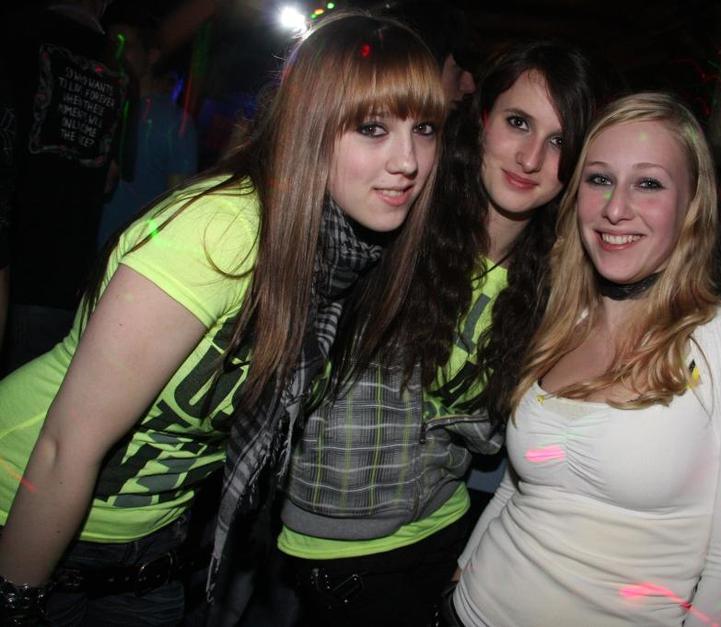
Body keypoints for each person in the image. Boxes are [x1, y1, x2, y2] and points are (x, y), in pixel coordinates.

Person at [0, 12, 447, 626]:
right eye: (373, 128)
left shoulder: (347, 256)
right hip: (23, 508)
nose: (408, 160)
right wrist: (16, 599)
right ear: (310, 125)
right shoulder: (225, 230)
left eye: (424, 129)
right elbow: (63, 447)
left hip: (151, 548)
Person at [268, 41, 600, 627]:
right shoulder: (400, 218)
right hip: (340, 540)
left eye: (559, 141)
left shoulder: (558, 283)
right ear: (481, 118)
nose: (530, 158)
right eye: (518, 123)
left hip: (448, 528)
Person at [450, 92, 721, 626]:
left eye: (649, 183)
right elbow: (516, 488)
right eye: (599, 179)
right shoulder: (560, 321)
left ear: (692, 205)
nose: (616, 208)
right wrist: (461, 569)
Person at [0, 0, 127, 373]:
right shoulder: (118, 68)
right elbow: (110, 176)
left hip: (14, 252)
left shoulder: (17, 36)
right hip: (67, 268)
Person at [96, 13, 199, 247]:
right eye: (111, 44)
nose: (116, 53)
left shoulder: (175, 122)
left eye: (126, 46)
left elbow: (176, 203)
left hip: (129, 251)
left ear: (151, 55)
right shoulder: (98, 102)